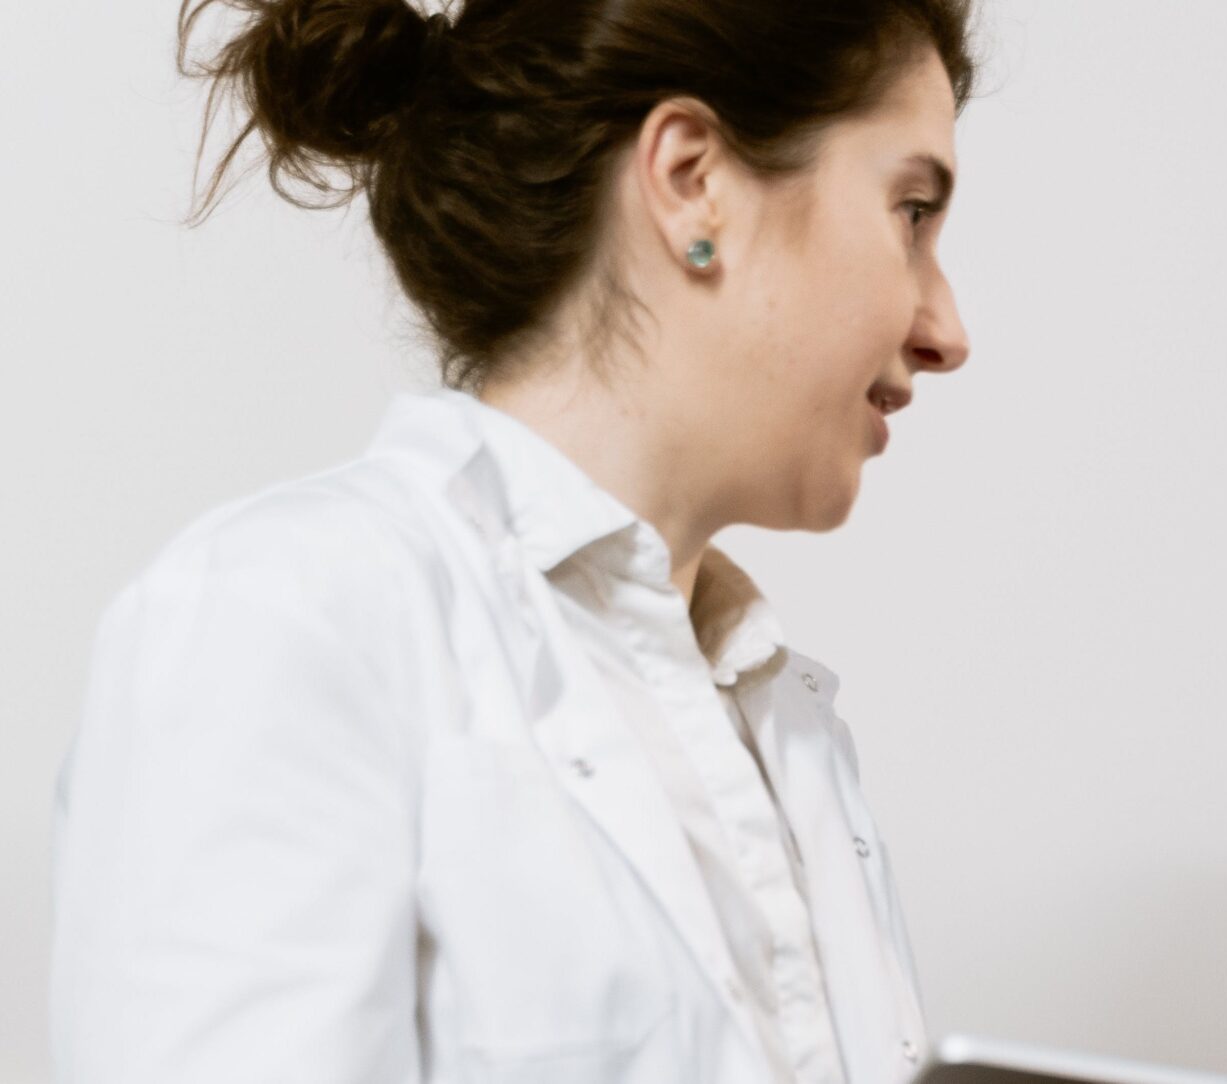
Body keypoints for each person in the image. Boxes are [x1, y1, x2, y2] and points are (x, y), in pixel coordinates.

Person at [52, 0, 975, 1080]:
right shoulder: (280, 618)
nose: (945, 328)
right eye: (910, 212)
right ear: (690, 180)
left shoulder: (788, 733)